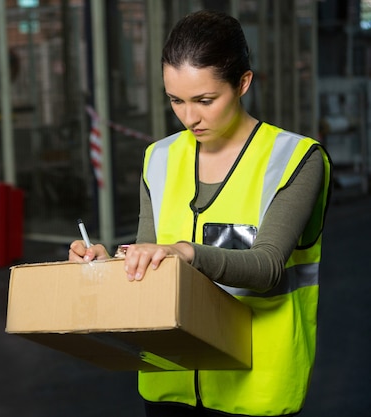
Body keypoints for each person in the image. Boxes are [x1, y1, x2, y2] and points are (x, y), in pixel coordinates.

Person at [69, 10, 332, 417]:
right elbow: (146, 260)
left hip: (254, 390)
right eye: (176, 100)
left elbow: (266, 268)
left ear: (243, 82)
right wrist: (106, 268)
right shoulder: (157, 159)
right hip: (168, 380)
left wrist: (185, 253)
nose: (189, 117)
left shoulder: (294, 159)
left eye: (205, 100)